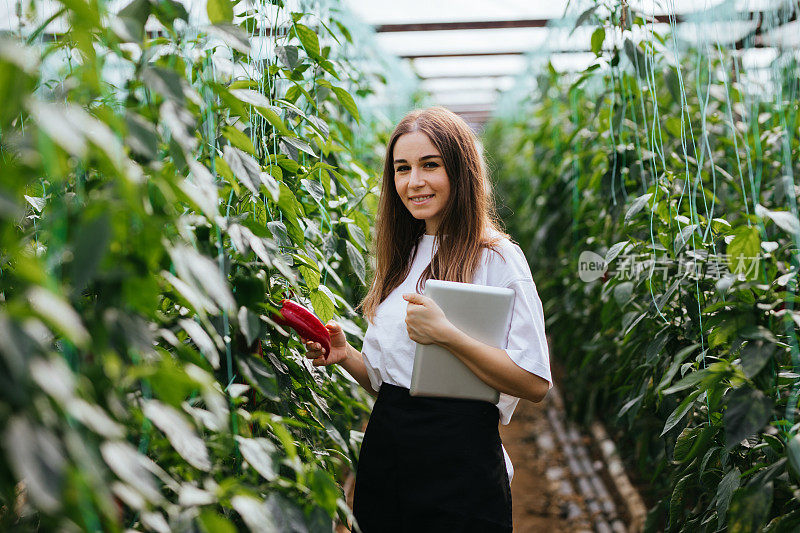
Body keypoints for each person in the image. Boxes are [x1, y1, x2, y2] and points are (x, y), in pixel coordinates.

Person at [300, 106, 552, 532]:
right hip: (389, 452)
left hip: (461, 458)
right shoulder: (400, 258)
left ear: (460, 171)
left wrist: (447, 335)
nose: (413, 182)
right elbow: (391, 382)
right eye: (402, 169)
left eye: (429, 165)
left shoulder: (496, 257)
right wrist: (345, 356)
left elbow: (533, 382)